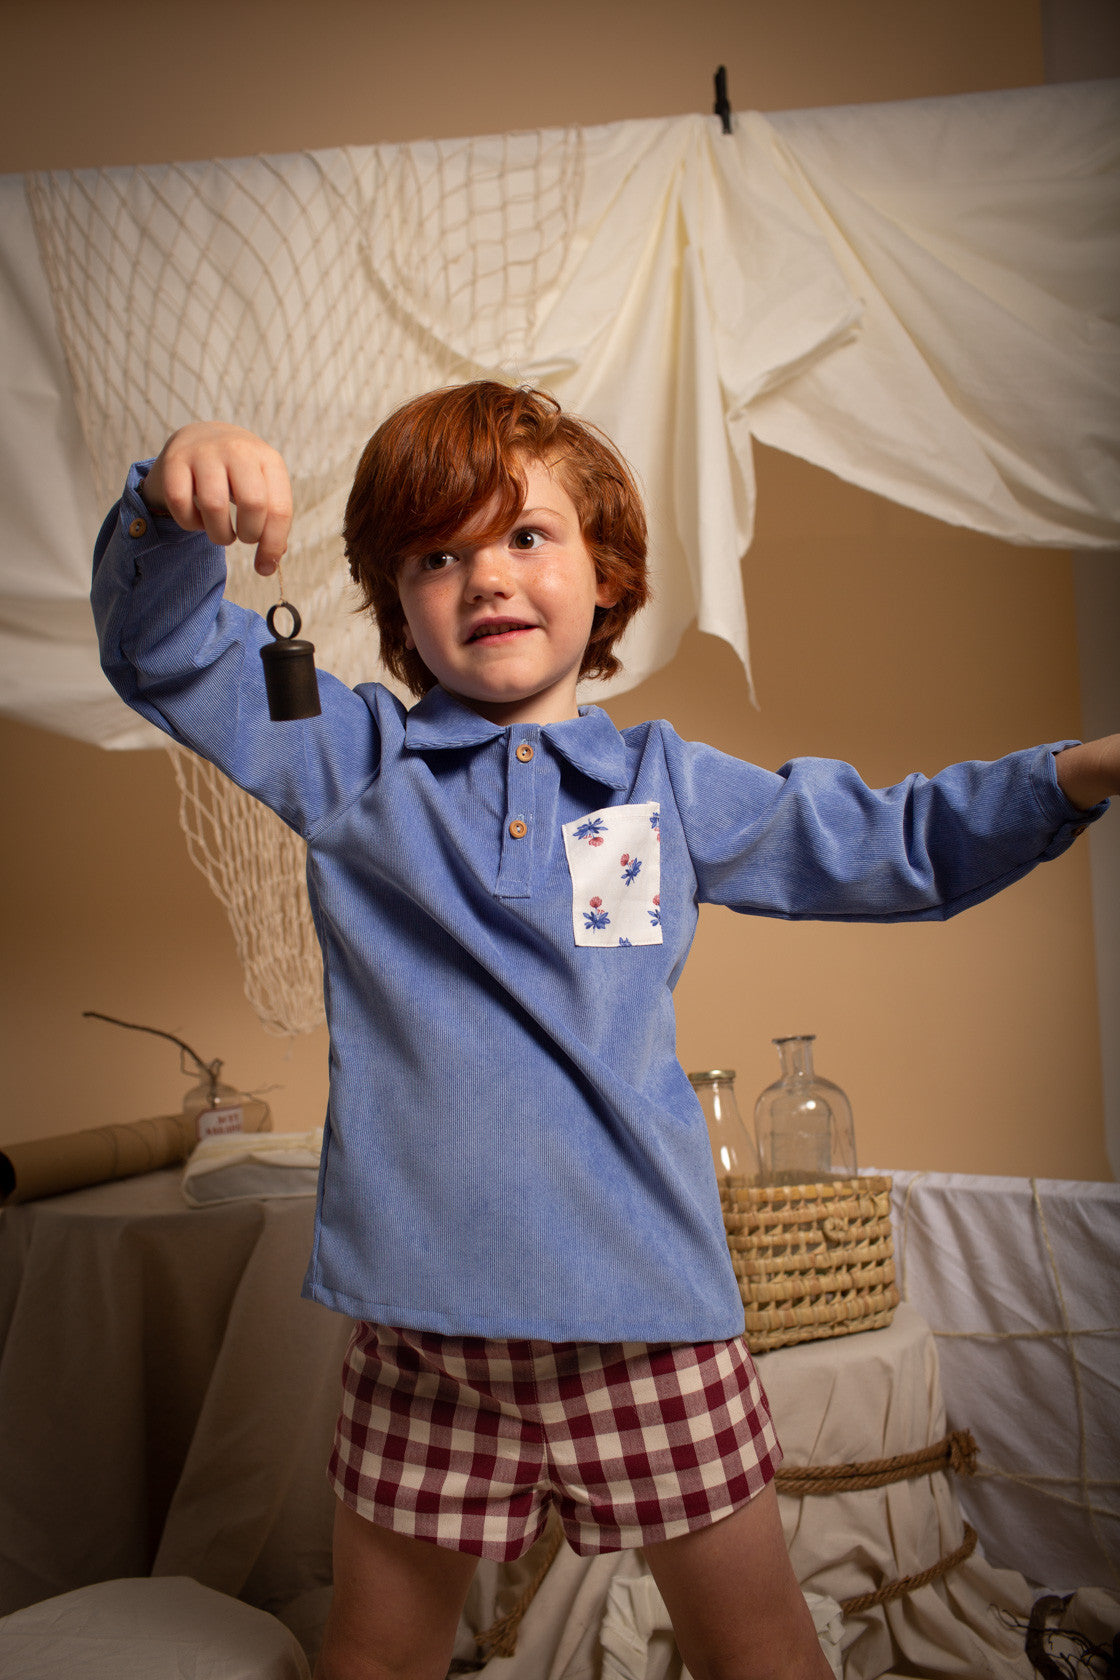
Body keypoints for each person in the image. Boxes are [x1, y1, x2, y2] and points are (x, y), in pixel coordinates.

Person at [92, 382, 1117, 1680]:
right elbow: (170, 657)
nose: (486, 578)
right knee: (375, 1655)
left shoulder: (666, 789)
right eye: (439, 555)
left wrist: (1070, 774)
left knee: (760, 1650)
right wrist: (168, 507)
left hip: (648, 1321)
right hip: (425, 1335)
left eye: (528, 536)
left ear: (605, 571)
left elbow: (889, 843)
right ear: (396, 599)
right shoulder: (348, 762)